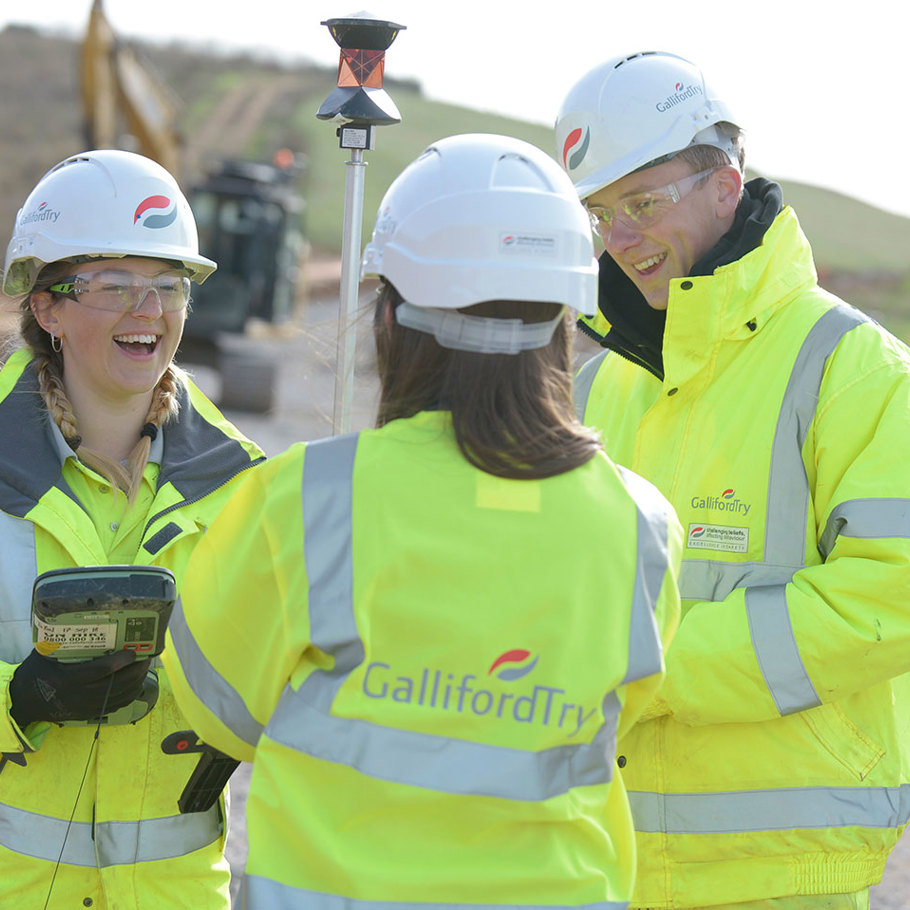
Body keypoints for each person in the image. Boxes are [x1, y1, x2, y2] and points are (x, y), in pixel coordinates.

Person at [162, 132, 683, 908]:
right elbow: (618, 713)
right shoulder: (642, 523)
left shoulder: (306, 499)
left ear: (393, 316)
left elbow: (214, 704)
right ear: (568, 322)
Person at [555, 50, 910, 910]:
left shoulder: (855, 369)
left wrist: (650, 663)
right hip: (607, 869)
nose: (622, 238)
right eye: (601, 214)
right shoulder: (602, 385)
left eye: (642, 202)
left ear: (726, 180)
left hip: (786, 874)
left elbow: (889, 598)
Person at [0, 149, 266, 909]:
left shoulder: (247, 484)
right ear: (46, 306)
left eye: (167, 286)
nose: (147, 311)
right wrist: (21, 700)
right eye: (114, 285)